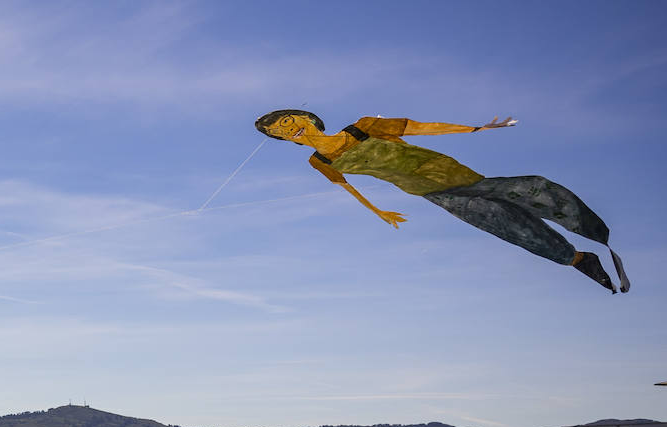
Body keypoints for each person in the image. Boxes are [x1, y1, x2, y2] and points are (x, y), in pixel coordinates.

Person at [254, 110, 628, 293]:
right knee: (503, 224)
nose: (291, 129)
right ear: (286, 142)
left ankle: (595, 234)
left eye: (290, 121)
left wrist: (474, 128)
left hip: (450, 173)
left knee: (529, 189)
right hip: (430, 192)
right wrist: (379, 211)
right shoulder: (319, 161)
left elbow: (416, 127)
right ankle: (577, 259)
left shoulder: (363, 126)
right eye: (281, 131)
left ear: (307, 118)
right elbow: (346, 186)